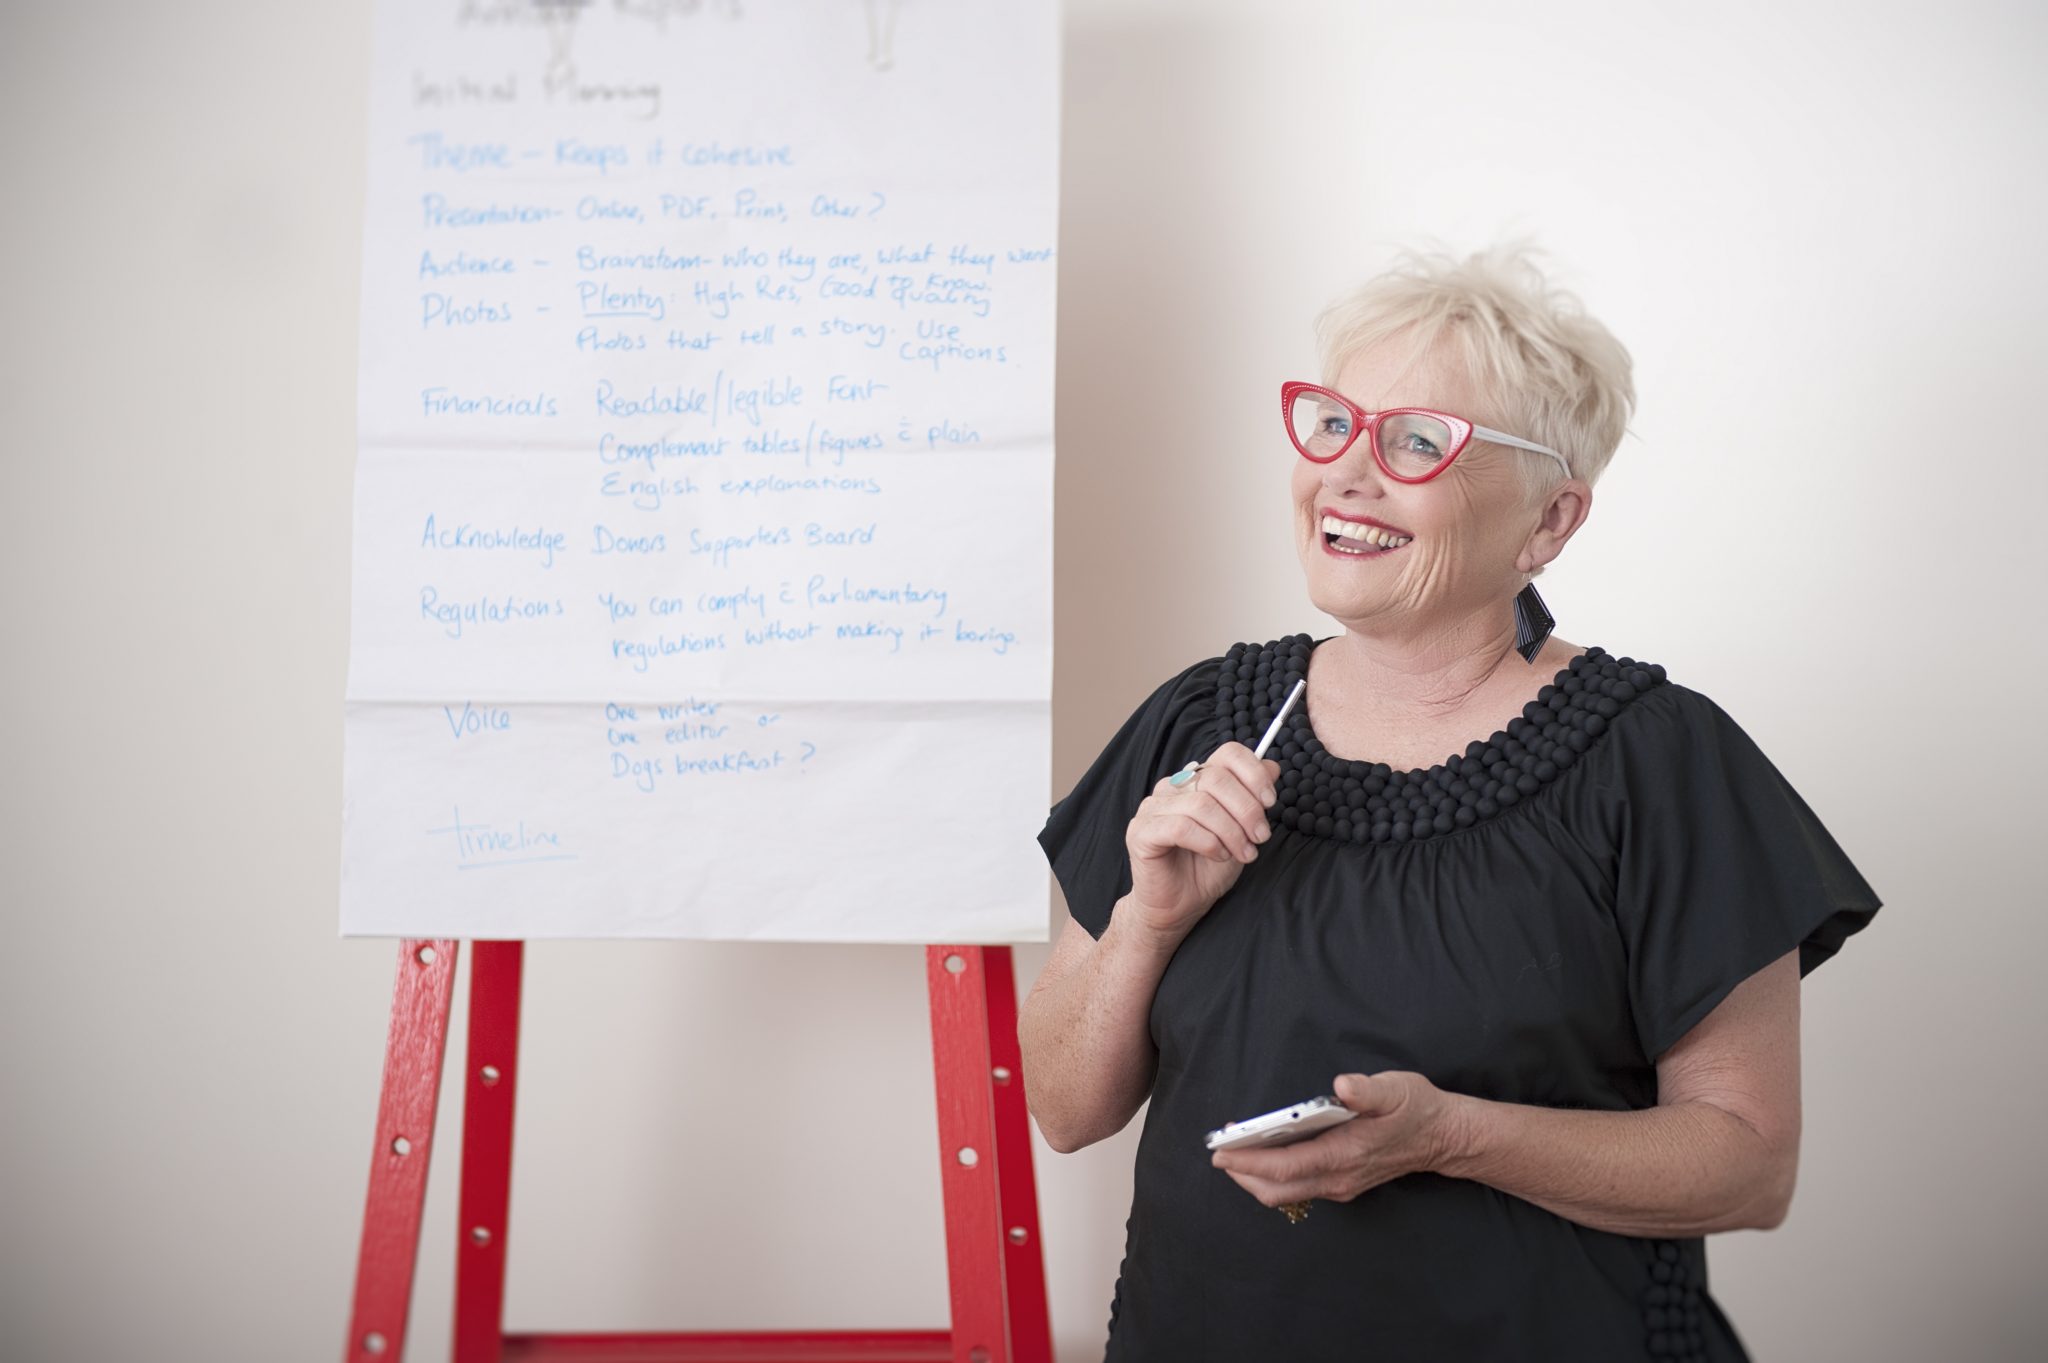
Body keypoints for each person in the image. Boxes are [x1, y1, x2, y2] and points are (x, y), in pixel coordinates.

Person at [1020, 242, 1881, 1362]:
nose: (1345, 472)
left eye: (1417, 441)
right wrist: (1148, 919)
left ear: (1548, 521)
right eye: (1332, 423)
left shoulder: (1658, 760)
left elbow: (1746, 1163)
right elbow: (1063, 1109)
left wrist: (1447, 1137)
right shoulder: (1199, 722)